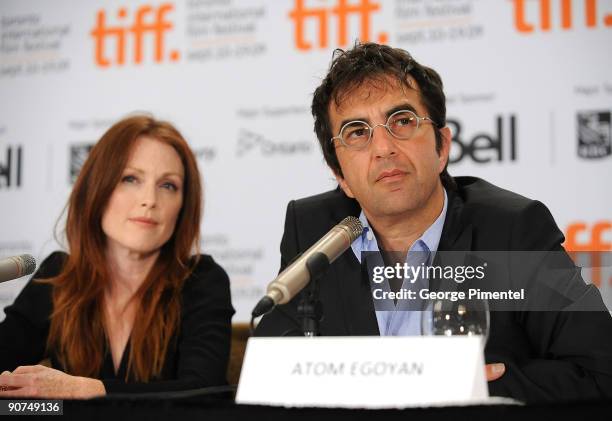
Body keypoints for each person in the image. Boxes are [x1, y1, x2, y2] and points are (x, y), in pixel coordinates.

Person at [255, 42, 612, 402]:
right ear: (339, 174)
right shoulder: (313, 229)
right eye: (357, 132)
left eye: (402, 122)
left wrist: (474, 387)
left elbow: (601, 371)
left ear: (442, 146)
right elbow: (269, 376)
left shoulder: (512, 230)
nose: (383, 148)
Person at [0, 115, 234, 398]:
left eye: (168, 185)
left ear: (183, 206)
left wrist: (83, 389)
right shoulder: (59, 274)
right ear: (97, 189)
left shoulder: (201, 280)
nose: (149, 199)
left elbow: (203, 392)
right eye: (130, 179)